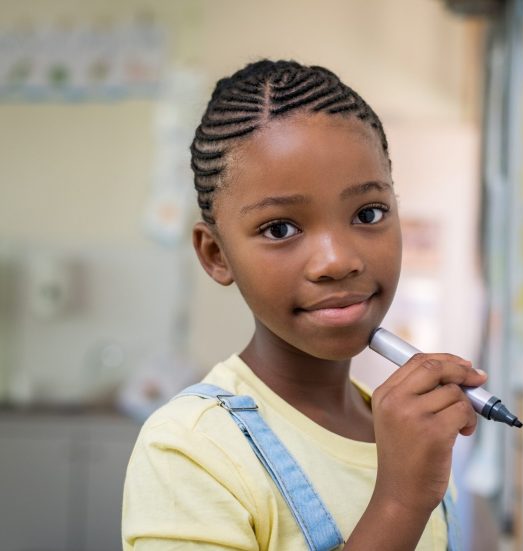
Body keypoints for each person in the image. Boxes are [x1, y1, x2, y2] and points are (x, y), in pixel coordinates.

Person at [122, 59, 487, 551]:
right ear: (216, 254)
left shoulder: (405, 436)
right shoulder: (189, 449)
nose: (337, 261)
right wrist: (400, 501)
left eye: (369, 213)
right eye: (280, 229)